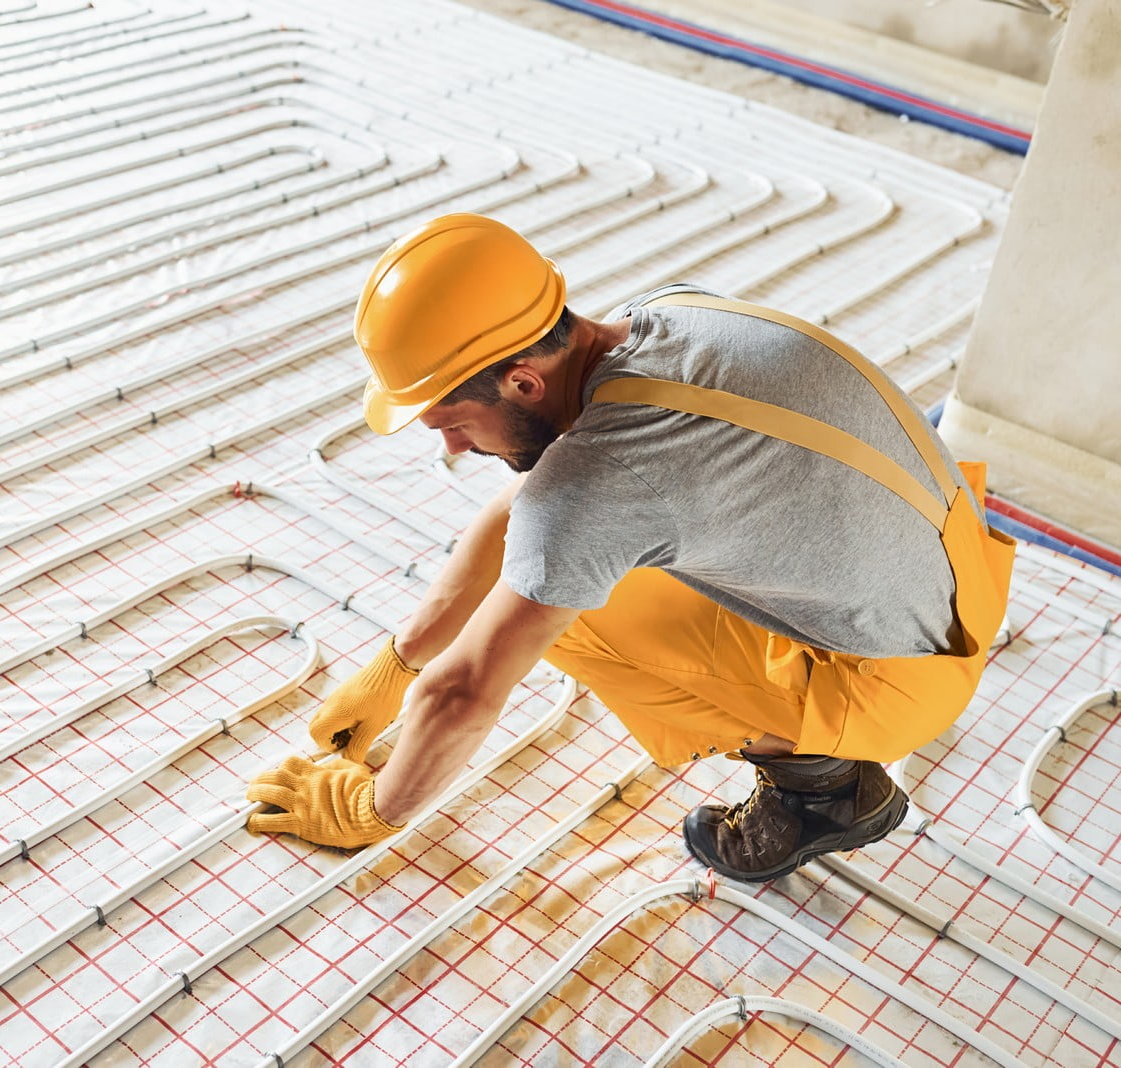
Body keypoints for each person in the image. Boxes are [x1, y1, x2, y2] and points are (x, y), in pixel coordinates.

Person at [244, 213, 1015, 882]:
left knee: (565, 613)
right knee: (554, 553)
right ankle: (822, 750)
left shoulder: (598, 480)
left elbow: (468, 689)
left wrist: (372, 810)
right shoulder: (660, 316)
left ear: (520, 383)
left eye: (449, 420)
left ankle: (820, 791)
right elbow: (526, 509)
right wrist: (397, 663)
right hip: (950, 569)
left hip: (901, 674)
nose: (449, 446)